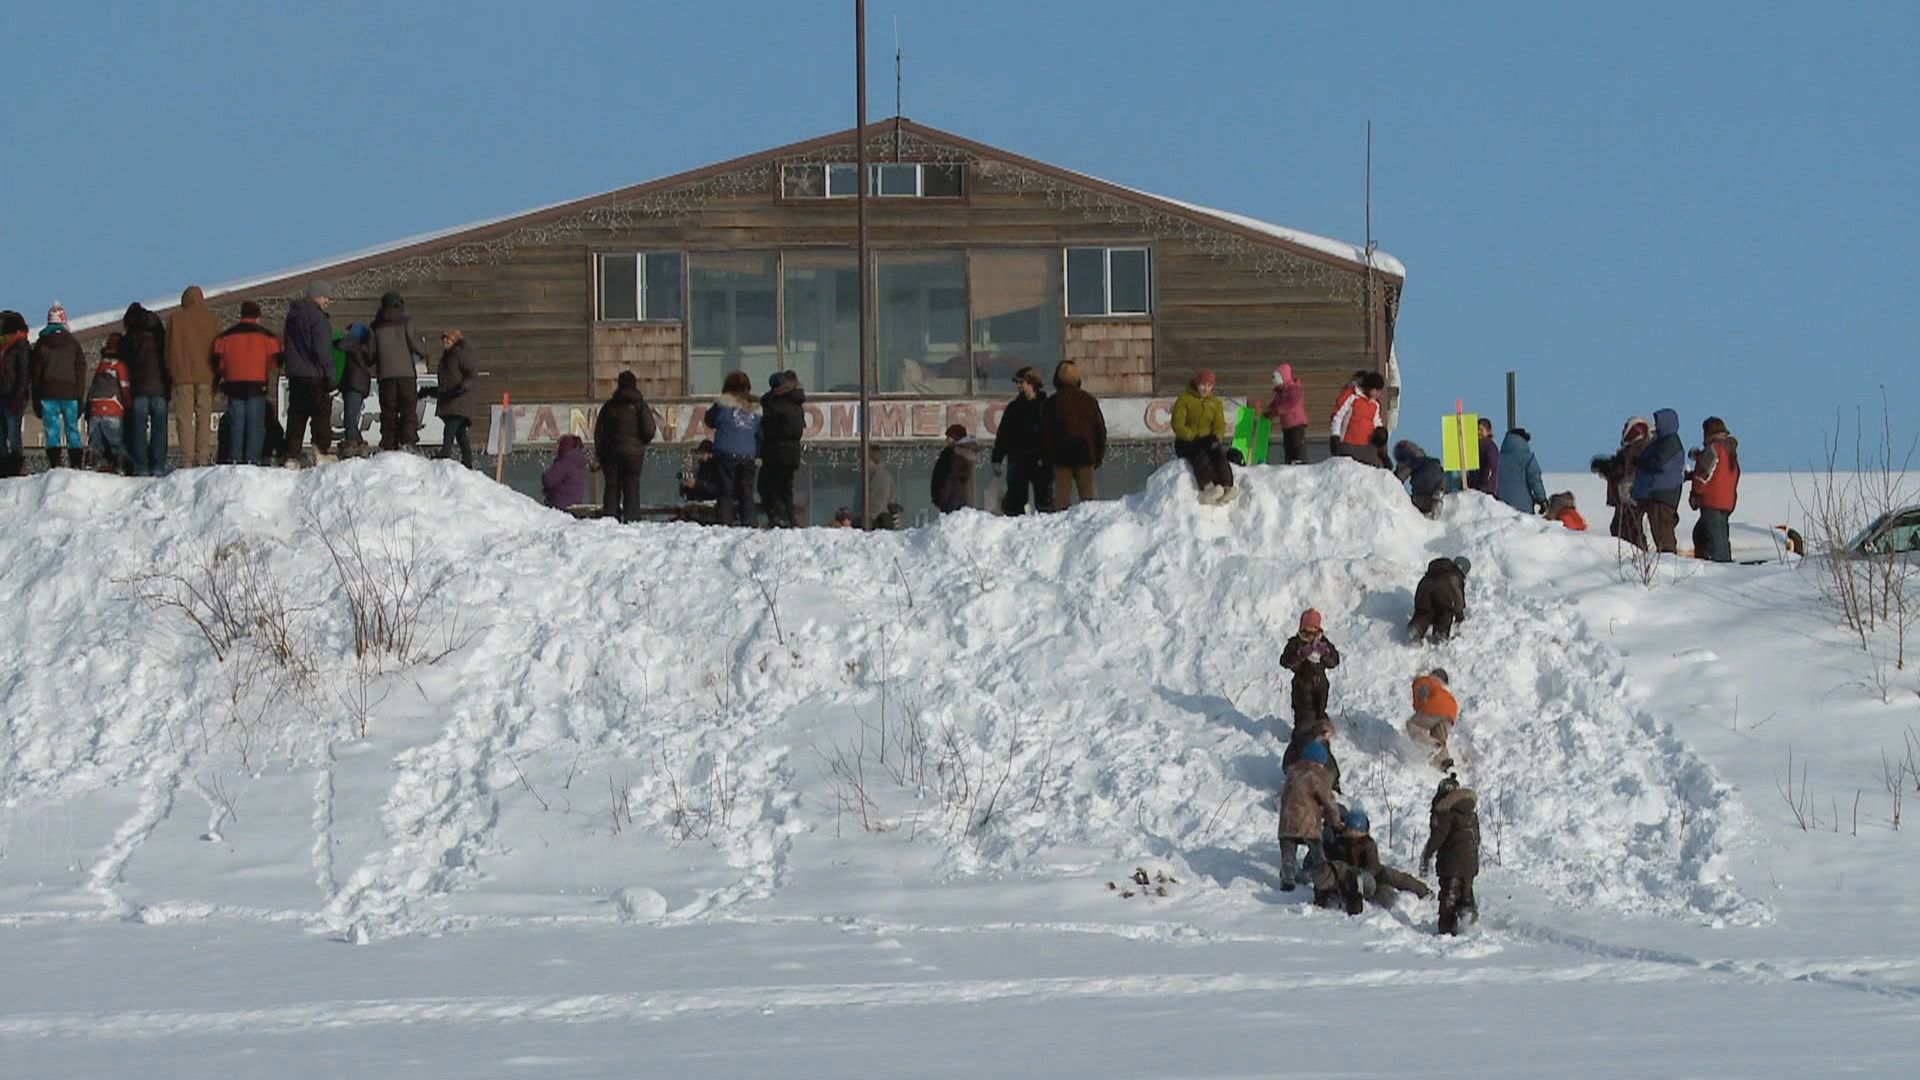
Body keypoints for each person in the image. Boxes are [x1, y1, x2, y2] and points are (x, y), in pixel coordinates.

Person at [1314, 807, 1432, 914]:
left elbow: (1373, 866)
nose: (1353, 833)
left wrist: (1363, 876)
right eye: (1351, 830)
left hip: (1369, 876)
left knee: (1393, 876)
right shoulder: (1340, 844)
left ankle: (1422, 890)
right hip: (1350, 879)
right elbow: (1335, 867)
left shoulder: (1367, 844)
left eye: (1356, 831)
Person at [211, 301, 280, 466]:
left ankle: (235, 458)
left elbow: (217, 361)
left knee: (236, 423)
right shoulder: (267, 336)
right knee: (255, 424)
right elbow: (275, 361)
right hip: (257, 384)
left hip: (234, 384)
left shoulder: (225, 336)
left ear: (241, 314)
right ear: (257, 316)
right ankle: (252, 460)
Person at [166, 286, 221, 468]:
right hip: (206, 375)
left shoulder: (175, 320)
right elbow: (217, 349)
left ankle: (187, 458)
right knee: (204, 416)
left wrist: (172, 371)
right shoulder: (212, 320)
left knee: (184, 417)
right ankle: (203, 456)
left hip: (182, 376)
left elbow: (168, 350)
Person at [280, 280, 334, 465]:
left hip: (296, 375)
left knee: (296, 416)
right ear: (317, 296)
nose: (327, 301)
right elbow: (322, 349)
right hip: (315, 374)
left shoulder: (292, 317)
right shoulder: (318, 318)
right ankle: (321, 451)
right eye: (325, 297)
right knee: (320, 414)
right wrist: (329, 373)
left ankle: (292, 455)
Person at [1277, 739, 1342, 892]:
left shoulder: (1293, 771)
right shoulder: (1318, 774)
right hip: (1307, 822)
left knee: (1288, 855)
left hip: (1286, 822)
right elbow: (1328, 800)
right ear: (1320, 760)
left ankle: (1288, 878)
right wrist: (1335, 822)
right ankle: (1324, 881)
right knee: (1318, 855)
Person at [1420, 774, 1482, 935]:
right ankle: (1470, 923)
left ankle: (1447, 929)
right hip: (1470, 864)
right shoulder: (1470, 812)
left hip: (1451, 865)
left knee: (1449, 896)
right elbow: (1477, 838)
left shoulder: (1445, 813)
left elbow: (1438, 837)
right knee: (1466, 893)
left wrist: (1427, 854)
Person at [370, 292, 432, 451]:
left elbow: (371, 353)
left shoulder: (376, 326)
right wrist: (425, 352)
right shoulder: (406, 322)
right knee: (408, 409)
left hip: (385, 376)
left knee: (388, 412)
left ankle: (388, 444)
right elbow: (415, 344)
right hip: (406, 375)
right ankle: (408, 442)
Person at [593, 370, 656, 523]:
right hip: (634, 455)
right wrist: (640, 442)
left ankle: (610, 519)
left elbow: (599, 432)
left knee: (612, 486)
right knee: (632, 487)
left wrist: (600, 453)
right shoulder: (640, 405)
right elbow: (649, 429)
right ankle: (632, 520)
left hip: (611, 454)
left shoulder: (609, 406)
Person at [1041, 360, 1105, 509]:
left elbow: (1046, 434)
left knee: (1062, 501)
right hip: (1085, 456)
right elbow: (1100, 431)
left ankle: (1063, 530)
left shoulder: (1052, 403)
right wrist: (1098, 456)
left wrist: (1047, 457)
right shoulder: (1089, 401)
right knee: (1088, 501)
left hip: (1061, 458)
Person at [31, 303, 88, 468]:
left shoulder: (41, 344)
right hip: (70, 393)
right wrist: (79, 396)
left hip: (48, 394)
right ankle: (76, 464)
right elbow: (81, 370)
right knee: (72, 430)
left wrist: (36, 399)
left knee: (52, 431)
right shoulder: (73, 343)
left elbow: (36, 375)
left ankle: (55, 465)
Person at [118, 303, 171, 476]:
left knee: (138, 430)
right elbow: (167, 360)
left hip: (138, 389)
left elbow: (124, 364)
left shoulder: (129, 338)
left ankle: (141, 467)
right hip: (160, 388)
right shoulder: (159, 334)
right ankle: (158, 467)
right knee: (159, 430)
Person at [992, 365, 1052, 514]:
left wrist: (1050, 456)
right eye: (1017, 383)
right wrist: (997, 459)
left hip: (1041, 460)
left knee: (1045, 502)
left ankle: (1048, 531)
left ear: (1031, 383)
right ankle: (1015, 532)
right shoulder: (1014, 408)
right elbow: (1003, 435)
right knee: (1014, 502)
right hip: (1017, 460)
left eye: (1021, 382)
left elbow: (1052, 434)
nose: (1018, 386)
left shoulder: (1046, 406)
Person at [1171, 369, 1236, 505]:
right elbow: (1177, 424)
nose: (1205, 389)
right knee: (1200, 455)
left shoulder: (1215, 403)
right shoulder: (1184, 399)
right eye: (1203, 385)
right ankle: (1208, 487)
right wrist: (1192, 436)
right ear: (1196, 383)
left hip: (1207, 439)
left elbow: (1219, 424)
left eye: (1209, 386)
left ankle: (1227, 486)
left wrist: (1217, 437)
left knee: (1218, 452)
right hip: (1186, 440)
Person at [704, 371, 762, 526]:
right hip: (748, 454)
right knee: (746, 493)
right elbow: (759, 433)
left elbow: (709, 420)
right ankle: (749, 523)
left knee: (725, 492)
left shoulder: (722, 405)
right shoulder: (756, 409)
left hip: (725, 453)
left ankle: (724, 523)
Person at [1592, 416, 1652, 548]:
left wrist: (1607, 468)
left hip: (1630, 495)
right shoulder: (1638, 447)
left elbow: (1625, 469)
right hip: (1628, 495)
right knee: (1623, 528)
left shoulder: (1638, 447)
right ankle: (1634, 557)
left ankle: (1637, 557)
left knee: (1628, 530)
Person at [1632, 408, 1685, 554]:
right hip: (1659, 492)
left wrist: (1642, 462)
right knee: (1659, 529)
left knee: (1662, 531)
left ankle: (1669, 561)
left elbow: (1660, 462)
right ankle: (1666, 559)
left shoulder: (1670, 442)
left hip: (1663, 492)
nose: (1656, 426)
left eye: (1658, 422)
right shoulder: (1664, 441)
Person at [1280, 608, 1341, 732]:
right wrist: (1300, 655)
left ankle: (1320, 730)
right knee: (1305, 721)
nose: (1311, 636)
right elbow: (1285, 661)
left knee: (1320, 718)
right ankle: (1301, 737)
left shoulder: (1323, 643)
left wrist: (1326, 654)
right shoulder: (1296, 643)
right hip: (1302, 688)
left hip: (1321, 688)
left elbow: (1334, 662)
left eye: (1314, 631)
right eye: (1307, 632)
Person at [1689, 417, 1740, 562]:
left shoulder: (1714, 448)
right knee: (1718, 536)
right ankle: (1723, 563)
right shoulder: (1730, 451)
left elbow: (1704, 473)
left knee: (1713, 538)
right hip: (1727, 502)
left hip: (1711, 501)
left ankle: (1720, 568)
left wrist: (1695, 492)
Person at [759, 370, 806, 527]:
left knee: (768, 486)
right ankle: (791, 519)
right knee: (786, 488)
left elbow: (768, 424)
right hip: (793, 453)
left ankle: (777, 519)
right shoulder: (796, 401)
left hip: (777, 451)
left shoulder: (775, 402)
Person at [85, 335, 133, 473]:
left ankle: (92, 464)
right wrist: (129, 406)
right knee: (116, 443)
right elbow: (125, 388)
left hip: (95, 409)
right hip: (113, 408)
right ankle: (121, 467)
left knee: (96, 443)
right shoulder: (120, 366)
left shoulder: (101, 365)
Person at [433, 329, 478, 468]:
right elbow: (446, 382)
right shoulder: (446, 356)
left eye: (449, 339)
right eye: (444, 339)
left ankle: (445, 451)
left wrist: (461, 387)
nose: (445, 341)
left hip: (460, 399)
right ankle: (467, 462)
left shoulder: (460, 353)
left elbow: (471, 374)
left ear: (455, 340)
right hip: (451, 398)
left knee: (450, 428)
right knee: (460, 434)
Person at [1405, 667, 1460, 769]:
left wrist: (1422, 707)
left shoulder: (1424, 681)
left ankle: (1430, 744)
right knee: (1439, 737)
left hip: (1434, 707)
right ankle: (1445, 764)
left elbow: (1422, 695)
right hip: (1451, 713)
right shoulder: (1443, 690)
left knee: (1412, 725)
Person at [1409, 556, 1469, 643]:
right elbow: (1458, 597)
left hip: (1424, 584)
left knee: (1425, 611)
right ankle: (1441, 633)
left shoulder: (1437, 568)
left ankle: (1416, 628)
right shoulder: (1455, 575)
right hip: (1442, 588)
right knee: (1445, 611)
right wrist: (1459, 615)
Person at [0, 311, 31, 477]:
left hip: (13, 395)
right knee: (2, 433)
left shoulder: (20, 346)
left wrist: (19, 394)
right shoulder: (5, 347)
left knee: (13, 433)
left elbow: (24, 372)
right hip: (3, 394)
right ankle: (4, 466)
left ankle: (15, 467)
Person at [336, 322, 374, 455]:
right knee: (351, 419)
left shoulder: (353, 344)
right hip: (359, 385)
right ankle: (358, 445)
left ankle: (354, 446)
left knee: (349, 419)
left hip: (353, 384)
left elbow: (340, 344)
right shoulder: (363, 348)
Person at [1330, 372, 1385, 461]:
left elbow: (1376, 423)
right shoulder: (1352, 396)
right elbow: (1338, 416)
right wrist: (1335, 436)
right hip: (1348, 443)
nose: (1378, 394)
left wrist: (1381, 437)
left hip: (1367, 447)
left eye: (1380, 391)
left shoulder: (1375, 405)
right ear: (1369, 387)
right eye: (1376, 390)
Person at [1263, 363, 1310, 464]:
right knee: (1288, 447)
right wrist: (1269, 410)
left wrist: (1275, 412)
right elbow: (1275, 404)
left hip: (1296, 426)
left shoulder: (1295, 390)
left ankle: (1299, 463)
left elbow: (1290, 405)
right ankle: (1289, 464)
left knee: (1296, 447)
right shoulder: (1280, 393)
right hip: (1286, 426)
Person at [930, 423, 979, 514]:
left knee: (953, 523)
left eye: (949, 436)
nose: (946, 439)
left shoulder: (955, 453)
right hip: (950, 496)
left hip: (951, 497)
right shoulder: (953, 452)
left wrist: (943, 494)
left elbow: (951, 476)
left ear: (955, 438)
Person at [1496, 427, 1546, 514]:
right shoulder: (1527, 457)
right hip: (1523, 508)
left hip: (1500, 508)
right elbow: (1535, 479)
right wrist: (1542, 500)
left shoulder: (1497, 459)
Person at [1392, 440, 1447, 515]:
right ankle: (1439, 493)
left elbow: (1401, 476)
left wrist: (1392, 478)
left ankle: (1431, 504)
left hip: (1424, 478)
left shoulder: (1409, 460)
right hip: (1438, 472)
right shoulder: (1422, 456)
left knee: (1416, 499)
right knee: (1437, 485)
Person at [541, 433, 589, 510]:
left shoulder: (566, 461)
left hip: (561, 504)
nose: (556, 449)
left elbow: (549, 480)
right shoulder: (579, 460)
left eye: (558, 446)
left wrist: (545, 474)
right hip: (575, 501)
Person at [1326, 369, 1367, 456]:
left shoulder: (1369, 400)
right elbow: (1337, 416)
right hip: (1347, 441)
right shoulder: (1349, 394)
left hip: (1363, 444)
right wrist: (1335, 436)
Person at [1469, 417, 1500, 496]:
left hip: (1486, 488)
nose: (1478, 432)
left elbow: (1491, 465)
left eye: (1481, 430)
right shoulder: (1476, 446)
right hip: (1477, 486)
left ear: (1488, 431)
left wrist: (1485, 483)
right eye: (1477, 430)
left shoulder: (1490, 446)